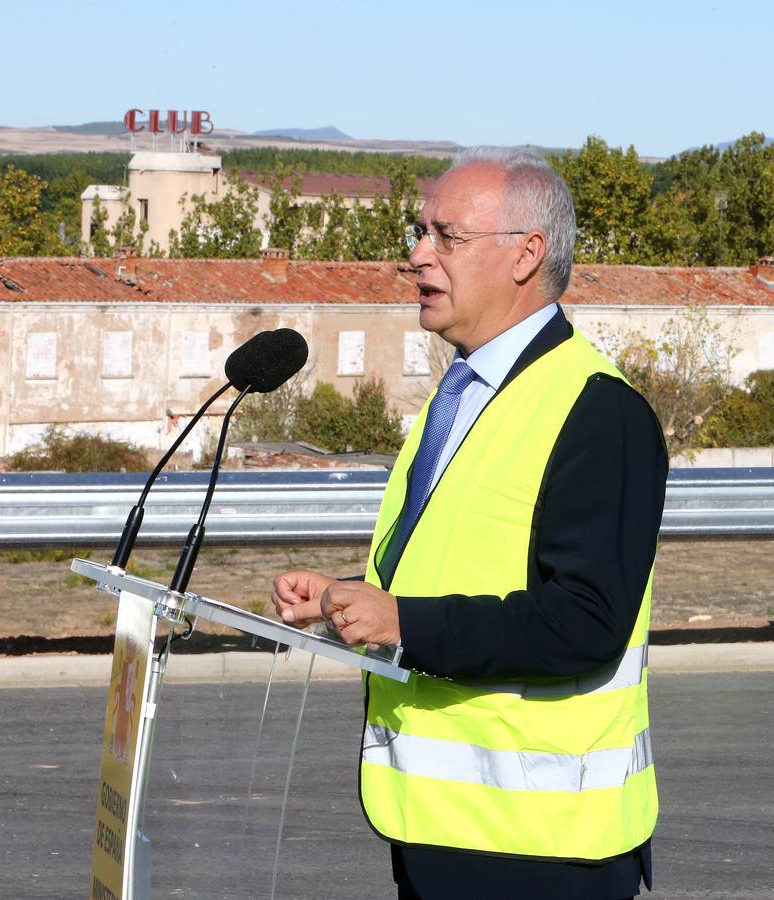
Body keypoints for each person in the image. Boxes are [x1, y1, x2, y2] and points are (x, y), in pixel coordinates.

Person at [271, 147, 666, 900]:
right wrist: (348, 598)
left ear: (526, 255)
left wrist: (403, 621)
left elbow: (586, 620)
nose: (418, 256)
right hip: (441, 832)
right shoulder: (460, 394)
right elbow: (457, 565)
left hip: (542, 850)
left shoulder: (596, 409)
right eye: (419, 232)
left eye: (447, 237)